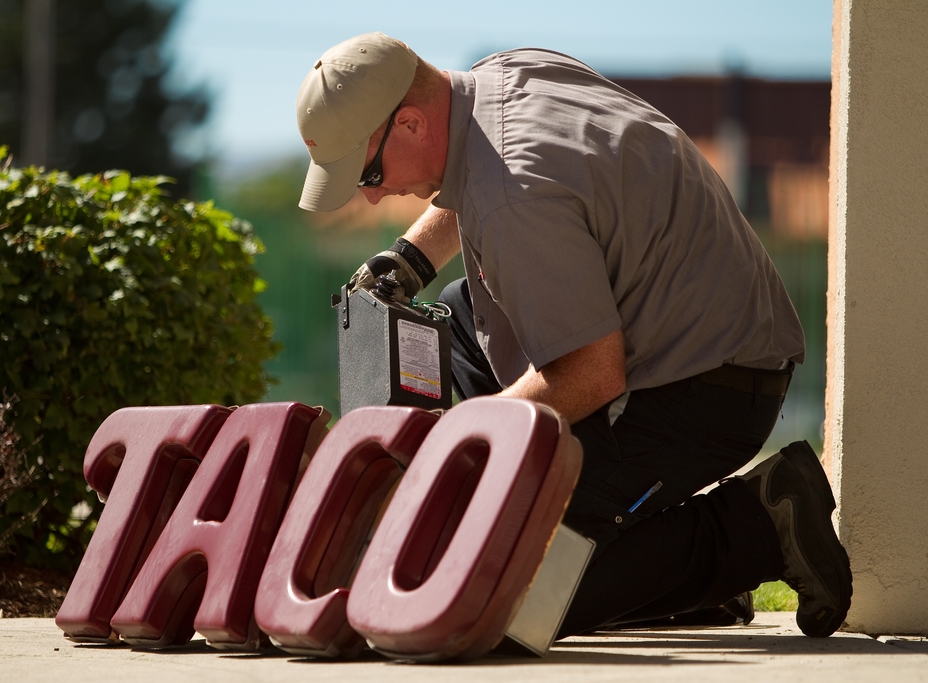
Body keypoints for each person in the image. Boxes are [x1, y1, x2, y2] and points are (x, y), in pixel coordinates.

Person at [294, 32, 852, 638]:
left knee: (502, 593)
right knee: (456, 319)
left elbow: (590, 373)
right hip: (688, 329)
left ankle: (762, 521)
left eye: (367, 172)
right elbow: (478, 176)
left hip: (707, 388)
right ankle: (675, 577)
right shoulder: (501, 78)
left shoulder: (513, 197)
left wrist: (455, 448)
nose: (372, 196)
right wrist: (409, 259)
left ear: (410, 124)